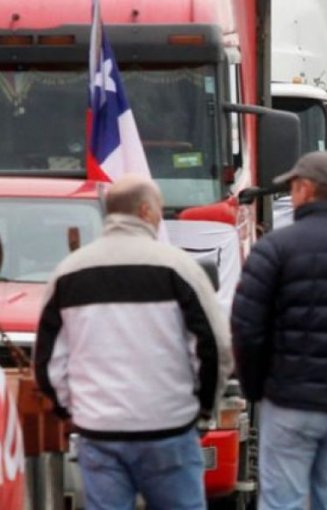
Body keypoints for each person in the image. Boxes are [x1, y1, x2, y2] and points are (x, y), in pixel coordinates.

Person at [34, 174, 233, 510]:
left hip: (99, 431)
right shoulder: (179, 268)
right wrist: (203, 410)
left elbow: (49, 362)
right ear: (145, 211)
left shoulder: (68, 273)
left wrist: (72, 411)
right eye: (159, 210)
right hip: (169, 428)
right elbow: (215, 347)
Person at [231, 151, 327, 510]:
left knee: (282, 502)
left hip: (290, 402)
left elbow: (247, 327)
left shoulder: (275, 248)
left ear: (305, 189)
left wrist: (256, 387)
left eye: (292, 186)